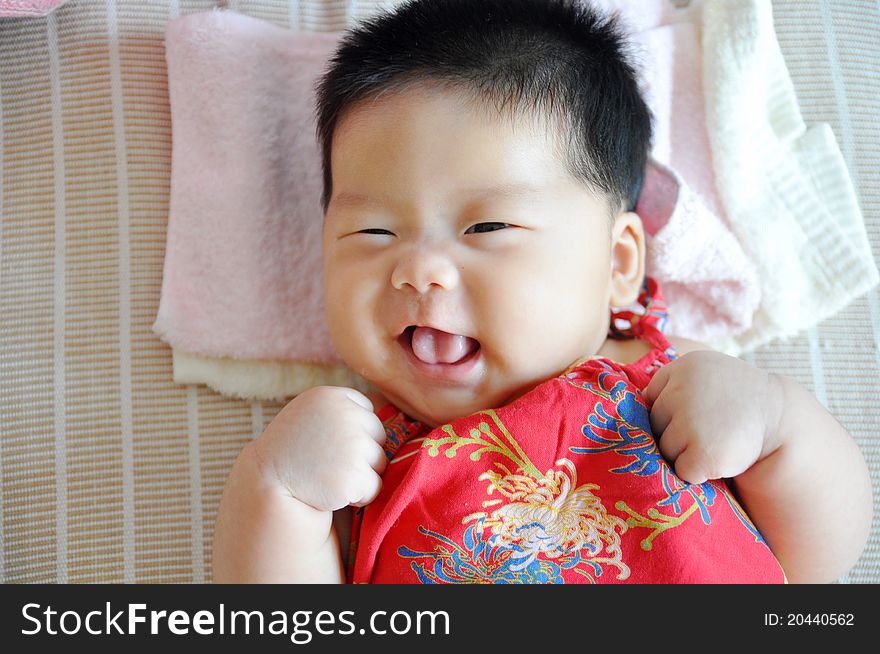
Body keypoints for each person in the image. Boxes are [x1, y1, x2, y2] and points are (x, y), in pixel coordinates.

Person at [212, 0, 872, 583]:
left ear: (617, 262)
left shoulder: (668, 386)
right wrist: (280, 493)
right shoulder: (361, 457)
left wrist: (777, 429)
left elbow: (817, 560)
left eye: (488, 225)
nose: (420, 271)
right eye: (374, 230)